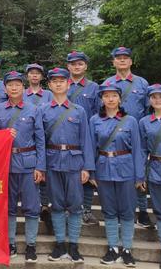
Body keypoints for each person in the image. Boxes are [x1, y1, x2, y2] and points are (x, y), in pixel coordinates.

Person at [41, 68, 94, 263]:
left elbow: (86, 140)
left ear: (68, 83)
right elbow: (40, 141)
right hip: (52, 161)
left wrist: (87, 167)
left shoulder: (79, 111)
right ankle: (60, 244)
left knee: (75, 205)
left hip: (74, 162)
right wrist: (41, 166)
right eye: (54, 81)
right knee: (56, 204)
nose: (58, 84)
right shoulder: (43, 110)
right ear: (49, 85)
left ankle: (74, 245)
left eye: (61, 80)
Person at [89, 83, 143, 267]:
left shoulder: (131, 121)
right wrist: (91, 172)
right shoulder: (94, 120)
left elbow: (137, 149)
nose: (110, 99)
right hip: (103, 169)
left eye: (113, 95)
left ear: (120, 98)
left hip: (126, 169)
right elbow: (90, 148)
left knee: (127, 210)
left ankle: (127, 249)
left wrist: (140, 176)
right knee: (109, 210)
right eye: (106, 96)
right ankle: (112, 248)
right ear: (102, 99)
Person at [0, 71, 45, 263]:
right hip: (5, 164)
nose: (14, 88)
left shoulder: (34, 109)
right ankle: (11, 243)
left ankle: (31, 244)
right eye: (10, 85)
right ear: (5, 88)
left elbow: (40, 139)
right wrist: (3, 135)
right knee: (8, 207)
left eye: (17, 84)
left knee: (32, 207)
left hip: (28, 163)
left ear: (23, 87)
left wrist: (40, 166)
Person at [104, 46, 152, 229]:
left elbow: (149, 111)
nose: (122, 60)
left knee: (139, 172)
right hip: (114, 137)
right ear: (113, 62)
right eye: (118, 58)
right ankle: (118, 211)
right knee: (116, 175)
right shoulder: (108, 83)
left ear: (131, 61)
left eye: (126, 58)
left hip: (137, 135)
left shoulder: (142, 83)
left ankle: (142, 211)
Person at [66, 51, 100, 226]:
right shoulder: (62, 84)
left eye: (80, 63)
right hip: (66, 136)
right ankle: (67, 208)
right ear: (68, 67)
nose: (76, 66)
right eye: (73, 64)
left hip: (88, 136)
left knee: (88, 171)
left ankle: (86, 209)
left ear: (85, 66)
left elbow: (98, 113)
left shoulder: (94, 87)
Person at [23, 63, 53, 234]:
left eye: (37, 73)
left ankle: (45, 206)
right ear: (27, 76)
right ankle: (35, 205)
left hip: (46, 139)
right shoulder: (22, 94)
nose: (34, 76)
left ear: (42, 77)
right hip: (28, 142)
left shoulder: (48, 95)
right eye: (31, 73)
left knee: (45, 175)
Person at [139, 84, 161, 269]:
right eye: (154, 97)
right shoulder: (144, 122)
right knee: (160, 211)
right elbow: (141, 150)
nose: (157, 100)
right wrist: (141, 175)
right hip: (155, 168)